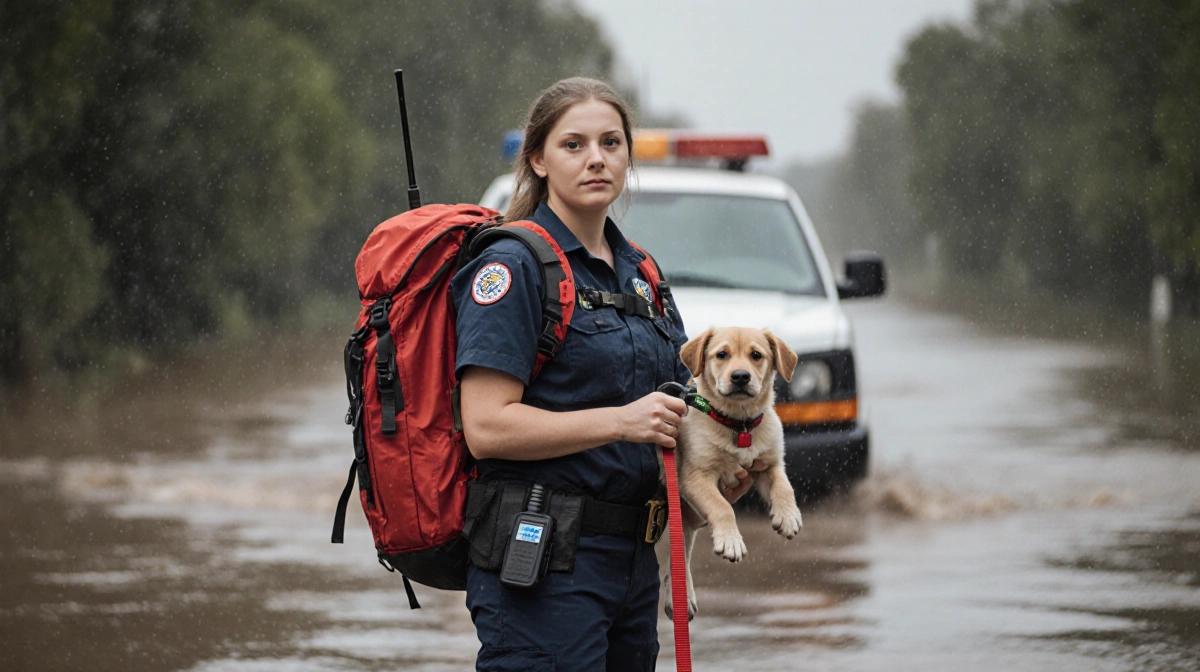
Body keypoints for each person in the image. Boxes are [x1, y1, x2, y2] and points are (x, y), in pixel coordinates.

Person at [451, 77, 755, 672]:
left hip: (638, 564)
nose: (597, 158)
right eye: (574, 145)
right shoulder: (512, 267)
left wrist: (713, 489)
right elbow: (486, 427)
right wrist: (621, 422)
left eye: (611, 142)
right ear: (538, 158)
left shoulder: (642, 271)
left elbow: (676, 414)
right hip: (544, 567)